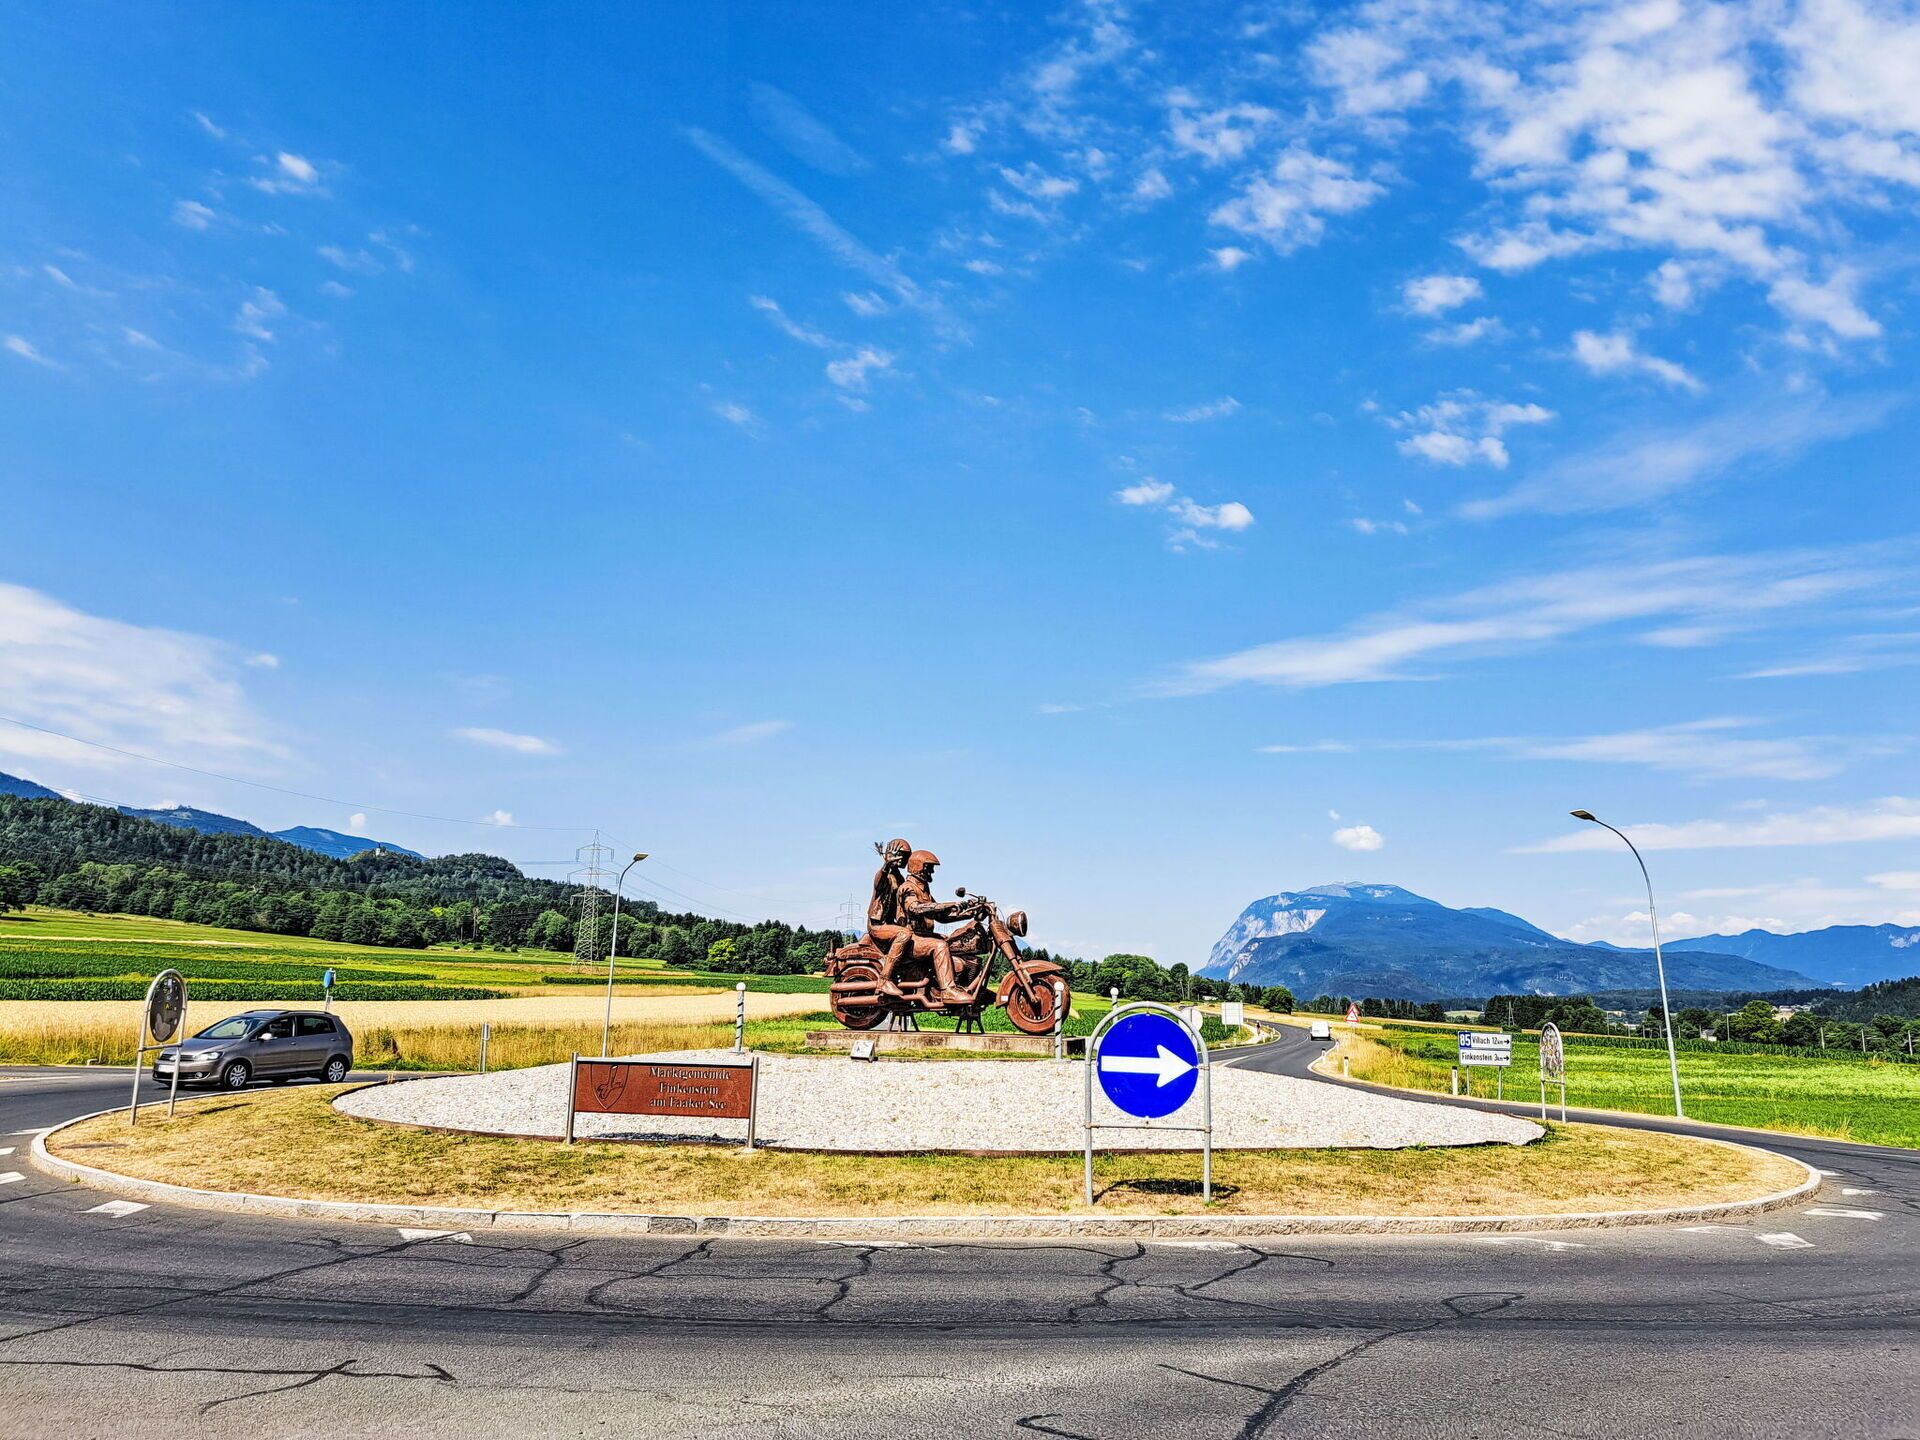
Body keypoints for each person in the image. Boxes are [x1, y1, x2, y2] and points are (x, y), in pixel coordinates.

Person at [893, 849, 978, 1005]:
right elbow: (914, 908)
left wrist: (969, 912)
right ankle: (948, 990)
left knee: (955, 942)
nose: (931, 871)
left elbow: (941, 917)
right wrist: (946, 905)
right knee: (940, 945)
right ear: (919, 867)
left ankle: (966, 986)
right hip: (912, 939)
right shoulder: (907, 887)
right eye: (929, 867)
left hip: (924, 937)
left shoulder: (924, 890)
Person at [864, 839, 916, 999]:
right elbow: (878, 884)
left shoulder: (900, 878)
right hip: (877, 924)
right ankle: (884, 980)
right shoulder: (885, 875)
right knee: (904, 935)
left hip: (889, 924)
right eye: (900, 856)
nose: (903, 860)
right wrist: (885, 866)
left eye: (906, 857)